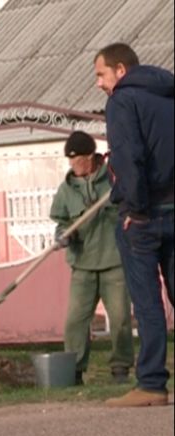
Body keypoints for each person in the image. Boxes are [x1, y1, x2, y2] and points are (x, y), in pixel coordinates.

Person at [94, 43, 174, 407]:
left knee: (147, 304)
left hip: (145, 216)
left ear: (120, 70)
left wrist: (134, 209)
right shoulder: (168, 96)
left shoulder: (123, 102)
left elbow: (129, 156)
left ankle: (152, 383)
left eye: (101, 74)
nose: (98, 83)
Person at [50, 131, 134, 386]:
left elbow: (130, 208)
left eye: (78, 161)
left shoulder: (114, 180)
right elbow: (61, 222)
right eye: (70, 162)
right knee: (75, 320)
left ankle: (121, 369)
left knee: (119, 319)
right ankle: (74, 371)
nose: (74, 167)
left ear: (91, 157)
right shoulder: (66, 190)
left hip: (114, 262)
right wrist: (62, 235)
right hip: (82, 266)